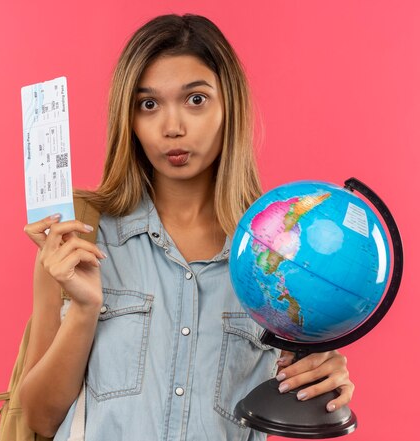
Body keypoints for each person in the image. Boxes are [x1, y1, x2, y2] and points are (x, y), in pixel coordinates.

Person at [20, 13, 354, 441]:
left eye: (196, 100)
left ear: (228, 106)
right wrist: (84, 311)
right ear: (130, 118)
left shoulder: (279, 257)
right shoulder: (79, 235)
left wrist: (325, 375)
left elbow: (303, 386)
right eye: (149, 104)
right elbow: (38, 418)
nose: (172, 127)